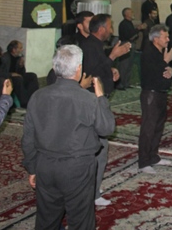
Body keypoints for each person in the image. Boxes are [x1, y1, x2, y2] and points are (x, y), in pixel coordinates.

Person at [21, 45, 116, 230]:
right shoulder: (88, 99)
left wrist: (32, 168)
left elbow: (28, 139)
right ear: (79, 69)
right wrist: (101, 98)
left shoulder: (37, 96)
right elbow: (107, 128)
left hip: (45, 165)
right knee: (81, 221)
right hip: (77, 168)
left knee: (46, 219)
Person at [80, 13, 131, 206]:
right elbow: (90, 73)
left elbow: (100, 68)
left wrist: (111, 69)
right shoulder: (88, 46)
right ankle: (91, 193)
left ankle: (92, 189)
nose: (111, 30)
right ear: (101, 29)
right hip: (93, 103)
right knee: (99, 148)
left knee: (100, 147)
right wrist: (113, 57)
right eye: (109, 27)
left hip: (98, 100)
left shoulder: (96, 45)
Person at [138, 24, 172, 173]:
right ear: (156, 39)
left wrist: (170, 68)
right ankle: (143, 161)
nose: (168, 39)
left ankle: (153, 156)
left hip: (161, 93)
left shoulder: (161, 53)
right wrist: (166, 62)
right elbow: (154, 73)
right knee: (149, 128)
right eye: (165, 37)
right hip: (151, 94)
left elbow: (165, 72)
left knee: (158, 127)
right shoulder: (149, 53)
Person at [0, 40, 39, 108]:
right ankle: (24, 103)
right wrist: (11, 74)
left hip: (17, 76)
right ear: (14, 50)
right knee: (18, 79)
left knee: (32, 76)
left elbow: (22, 73)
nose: (21, 50)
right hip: (8, 77)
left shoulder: (18, 58)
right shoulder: (4, 58)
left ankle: (33, 98)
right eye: (20, 48)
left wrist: (21, 66)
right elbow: (1, 72)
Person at [118, 7, 145, 90]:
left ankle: (126, 83)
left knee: (129, 65)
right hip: (125, 44)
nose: (133, 14)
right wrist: (138, 29)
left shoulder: (130, 23)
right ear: (127, 14)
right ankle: (121, 84)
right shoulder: (124, 24)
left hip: (131, 44)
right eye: (131, 12)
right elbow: (129, 35)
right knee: (124, 65)